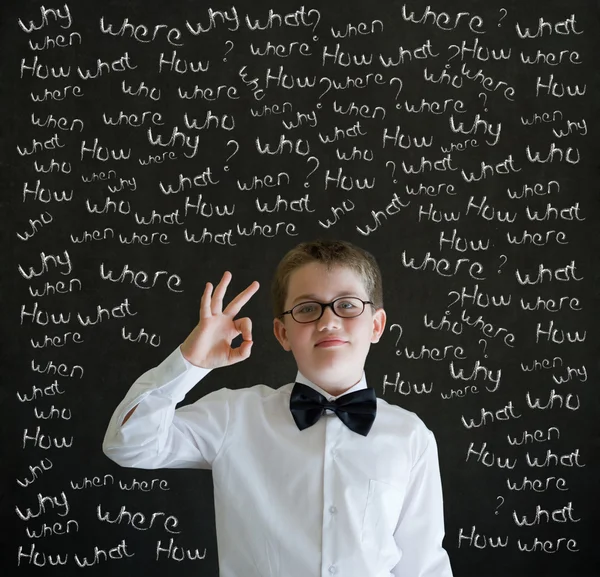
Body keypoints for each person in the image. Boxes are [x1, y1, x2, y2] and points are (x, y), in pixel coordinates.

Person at [102, 239, 453, 577]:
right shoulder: (234, 416)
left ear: (376, 325)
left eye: (347, 305)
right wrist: (191, 362)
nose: (328, 322)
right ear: (282, 333)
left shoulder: (411, 436)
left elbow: (423, 566)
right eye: (307, 308)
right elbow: (128, 443)